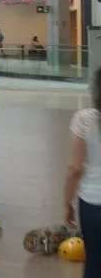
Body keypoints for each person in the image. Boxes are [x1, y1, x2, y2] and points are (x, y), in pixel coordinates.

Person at [64, 67, 101, 278]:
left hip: (93, 203)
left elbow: (74, 169)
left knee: (94, 262)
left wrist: (66, 203)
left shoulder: (84, 119)